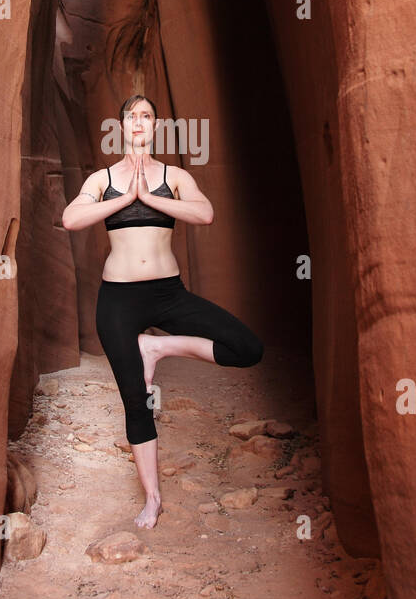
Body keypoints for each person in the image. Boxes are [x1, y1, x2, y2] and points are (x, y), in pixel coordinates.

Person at [61, 94, 264, 529]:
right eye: (132, 116)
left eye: (147, 116)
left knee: (247, 347)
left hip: (168, 294)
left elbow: (205, 214)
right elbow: (72, 219)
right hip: (117, 302)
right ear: (120, 127)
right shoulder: (103, 179)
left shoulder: (174, 177)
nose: (139, 122)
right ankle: (152, 499)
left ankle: (158, 347)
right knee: (136, 400)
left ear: (155, 128)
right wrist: (125, 197)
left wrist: (150, 199)